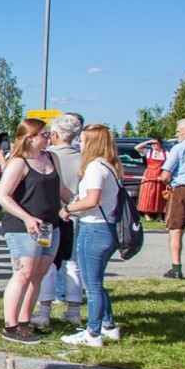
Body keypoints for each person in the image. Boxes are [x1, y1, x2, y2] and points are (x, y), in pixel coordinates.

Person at [0, 118, 73, 344]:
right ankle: (10, 325)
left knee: (38, 274)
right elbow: (2, 196)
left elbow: (61, 189)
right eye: (44, 134)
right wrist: (27, 218)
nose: (49, 137)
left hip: (49, 226)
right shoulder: (19, 162)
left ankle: (25, 321)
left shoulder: (51, 158)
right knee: (23, 274)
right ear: (30, 137)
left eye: (48, 134)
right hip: (23, 227)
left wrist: (77, 204)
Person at [57, 124, 124, 347]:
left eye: (83, 140)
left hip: (94, 228)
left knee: (92, 284)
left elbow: (92, 200)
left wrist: (68, 209)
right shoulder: (111, 166)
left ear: (93, 142)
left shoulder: (96, 167)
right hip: (106, 227)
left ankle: (93, 332)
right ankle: (108, 325)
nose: (79, 143)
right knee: (97, 281)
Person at [33, 113, 85, 328]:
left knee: (46, 263)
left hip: (49, 216)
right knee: (72, 263)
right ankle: (74, 311)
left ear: (54, 134)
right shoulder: (83, 157)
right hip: (76, 215)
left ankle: (44, 311)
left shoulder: (47, 157)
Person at [160, 117, 185, 279]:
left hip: (182, 189)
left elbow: (165, 175)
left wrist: (167, 182)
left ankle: (176, 268)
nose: (177, 134)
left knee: (176, 229)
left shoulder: (179, 148)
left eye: (179, 131)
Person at [135, 137, 168, 221]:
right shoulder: (149, 152)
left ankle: (159, 214)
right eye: (152, 144)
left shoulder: (166, 153)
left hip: (160, 174)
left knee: (159, 194)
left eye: (155, 143)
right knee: (148, 194)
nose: (153, 145)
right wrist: (148, 141)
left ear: (160, 144)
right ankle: (147, 214)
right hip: (149, 174)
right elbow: (136, 147)